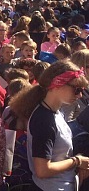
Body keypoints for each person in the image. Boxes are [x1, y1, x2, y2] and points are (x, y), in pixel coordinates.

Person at [9, 60, 89, 191]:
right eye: (76, 89)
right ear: (57, 84)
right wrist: (77, 161)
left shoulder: (55, 111)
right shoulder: (44, 119)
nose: (80, 95)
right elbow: (43, 170)